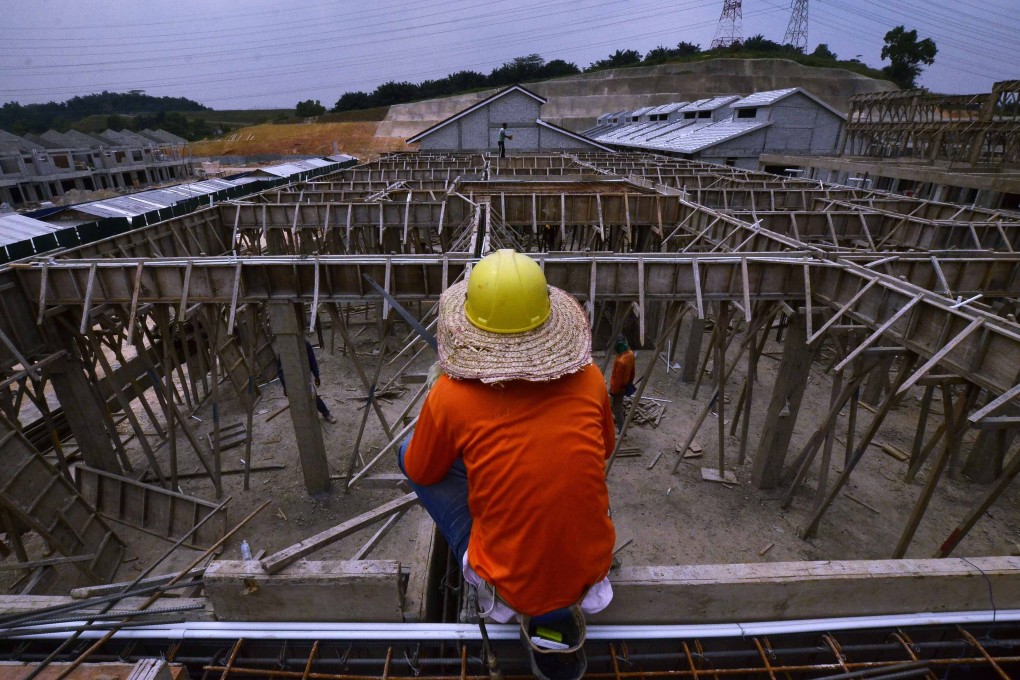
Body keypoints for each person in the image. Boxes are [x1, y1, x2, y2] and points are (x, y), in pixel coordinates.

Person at [399, 249, 615, 680]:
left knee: (409, 452)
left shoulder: (451, 396)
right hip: (587, 573)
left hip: (509, 585)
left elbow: (423, 472)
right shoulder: (589, 378)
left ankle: (491, 549)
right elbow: (605, 447)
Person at [276, 340, 336, 424]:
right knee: (296, 399)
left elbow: (312, 360)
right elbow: (280, 370)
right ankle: (303, 419)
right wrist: (285, 386)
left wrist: (316, 376)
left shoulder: (304, 345)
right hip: (291, 379)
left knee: (312, 396)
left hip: (304, 376)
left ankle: (326, 413)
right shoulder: (282, 349)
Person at [609, 337, 636, 433]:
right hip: (625, 385)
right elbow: (633, 371)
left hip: (618, 388)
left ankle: (622, 431)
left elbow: (617, 380)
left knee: (616, 408)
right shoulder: (630, 354)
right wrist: (630, 382)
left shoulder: (621, 362)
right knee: (618, 405)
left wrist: (613, 392)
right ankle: (622, 420)